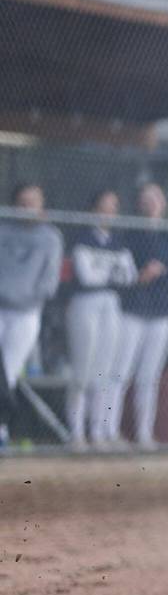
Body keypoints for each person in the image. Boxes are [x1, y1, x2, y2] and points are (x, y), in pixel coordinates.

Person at [108, 182, 168, 450]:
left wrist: (159, 274)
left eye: (156, 197)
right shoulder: (130, 234)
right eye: (146, 198)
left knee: (149, 377)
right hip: (132, 311)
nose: (151, 202)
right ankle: (108, 432)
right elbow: (124, 273)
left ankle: (144, 434)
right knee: (120, 372)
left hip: (161, 313)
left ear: (163, 203)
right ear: (139, 204)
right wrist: (142, 277)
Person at [65, 189, 138, 450]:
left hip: (111, 304)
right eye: (104, 206)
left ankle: (98, 431)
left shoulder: (118, 240)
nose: (109, 212)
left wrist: (105, 272)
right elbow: (86, 276)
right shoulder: (81, 237)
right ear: (93, 209)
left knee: (105, 370)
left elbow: (129, 277)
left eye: (113, 206)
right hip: (85, 303)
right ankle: (76, 432)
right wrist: (111, 272)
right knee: (83, 368)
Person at [0, 184, 63, 446]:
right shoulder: (3, 231)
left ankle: (1, 429)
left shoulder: (50, 237)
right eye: (23, 202)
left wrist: (23, 298)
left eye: (33, 202)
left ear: (42, 206)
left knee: (10, 372)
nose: (27, 207)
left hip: (26, 314)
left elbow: (49, 283)